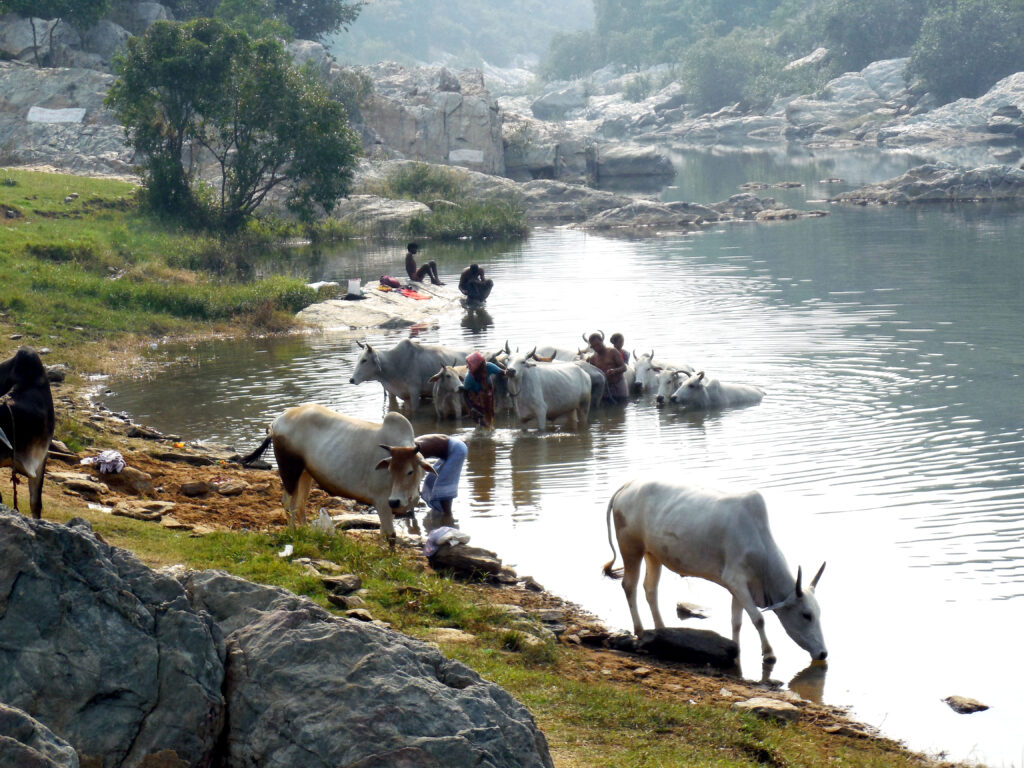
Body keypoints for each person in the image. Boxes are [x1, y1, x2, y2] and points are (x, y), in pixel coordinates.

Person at [415, 433, 467, 527]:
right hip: (451, 450)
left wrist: (415, 493)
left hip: (457, 450)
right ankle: (440, 512)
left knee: (444, 484)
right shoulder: (408, 449)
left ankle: (448, 518)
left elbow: (416, 475)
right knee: (431, 480)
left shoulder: (413, 451)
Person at [462, 351, 503, 428]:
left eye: (484, 364)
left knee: (490, 413)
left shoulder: (489, 366)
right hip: (475, 396)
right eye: (482, 366)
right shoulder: (469, 378)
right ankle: (483, 428)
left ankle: (488, 431)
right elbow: (465, 395)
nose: (484, 366)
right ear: (477, 368)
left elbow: (502, 373)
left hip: (487, 392)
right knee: (480, 417)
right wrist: (471, 408)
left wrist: (508, 372)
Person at [586, 332, 628, 403]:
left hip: (618, 387)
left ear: (602, 341)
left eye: (598, 344)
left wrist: (614, 371)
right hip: (605, 390)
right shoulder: (593, 358)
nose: (597, 348)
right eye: (594, 346)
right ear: (592, 347)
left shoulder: (613, 352)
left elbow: (624, 367)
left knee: (621, 408)